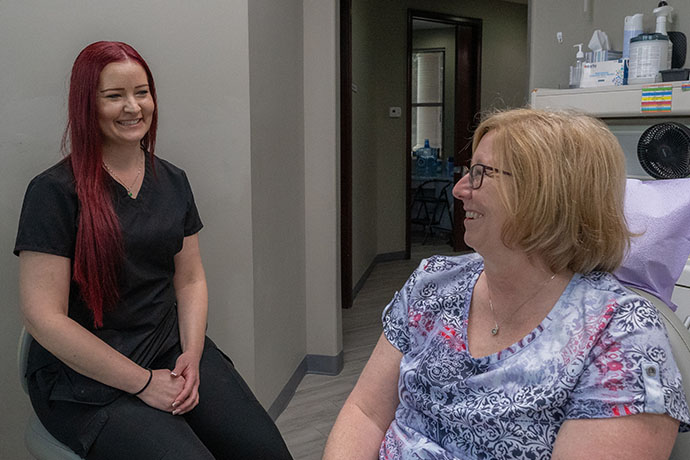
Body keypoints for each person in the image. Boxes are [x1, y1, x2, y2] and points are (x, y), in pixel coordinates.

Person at [323, 108, 690, 460]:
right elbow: (365, 412)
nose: (460, 190)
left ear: (548, 193)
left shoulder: (620, 337)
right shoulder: (432, 283)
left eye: (481, 173)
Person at [15, 41, 292, 460]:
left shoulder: (173, 181)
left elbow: (191, 278)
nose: (133, 107)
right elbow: (44, 318)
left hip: (167, 345)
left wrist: (193, 355)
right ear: (86, 104)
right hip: (84, 379)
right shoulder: (53, 193)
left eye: (142, 92)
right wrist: (143, 383)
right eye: (114, 96)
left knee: (265, 451)